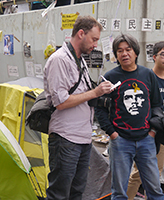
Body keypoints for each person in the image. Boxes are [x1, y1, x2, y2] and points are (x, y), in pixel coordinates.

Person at [44, 15, 113, 200]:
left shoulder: (79, 59)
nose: (95, 45)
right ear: (81, 33)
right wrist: (95, 93)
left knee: (77, 191)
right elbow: (61, 102)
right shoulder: (60, 60)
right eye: (94, 39)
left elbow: (81, 96)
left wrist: (98, 95)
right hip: (65, 137)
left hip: (82, 138)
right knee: (60, 192)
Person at [95, 33, 164, 200]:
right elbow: (100, 109)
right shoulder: (110, 77)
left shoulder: (148, 75)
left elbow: (157, 105)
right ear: (116, 55)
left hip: (146, 140)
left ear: (135, 52)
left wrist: (153, 132)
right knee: (119, 192)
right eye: (119, 51)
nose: (124, 54)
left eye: (128, 50)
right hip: (120, 141)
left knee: (155, 189)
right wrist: (112, 134)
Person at [126, 41, 164, 200]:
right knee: (138, 174)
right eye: (163, 54)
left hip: (163, 133)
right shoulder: (146, 77)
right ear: (154, 56)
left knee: (156, 174)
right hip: (147, 134)